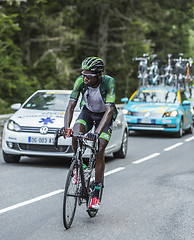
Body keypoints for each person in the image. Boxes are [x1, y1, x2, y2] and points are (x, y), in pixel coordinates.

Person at [61, 56, 117, 210]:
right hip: (87, 113)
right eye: (83, 74)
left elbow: (109, 110)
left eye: (89, 76)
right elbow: (71, 105)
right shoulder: (80, 81)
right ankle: (78, 165)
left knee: (99, 149)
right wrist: (66, 127)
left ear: (99, 75)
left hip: (104, 118)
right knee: (75, 134)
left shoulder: (109, 82)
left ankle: (97, 193)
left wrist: (97, 133)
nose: (84, 78)